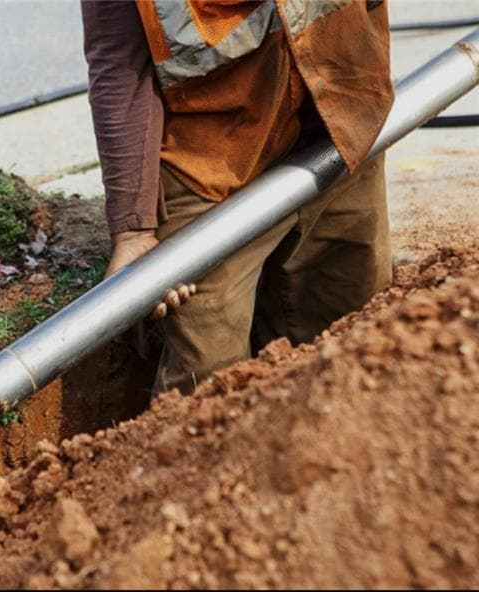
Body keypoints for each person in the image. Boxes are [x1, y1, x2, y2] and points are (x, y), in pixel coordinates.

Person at [81, 0, 395, 395]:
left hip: (339, 117)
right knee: (208, 379)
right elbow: (120, 62)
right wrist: (134, 229)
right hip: (210, 159)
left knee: (356, 329)